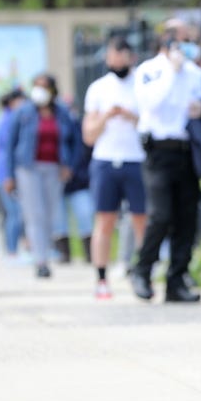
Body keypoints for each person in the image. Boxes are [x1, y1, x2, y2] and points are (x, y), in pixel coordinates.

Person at [130, 19, 201, 303]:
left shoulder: (194, 73)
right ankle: (142, 270)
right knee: (160, 215)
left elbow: (199, 105)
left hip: (187, 150)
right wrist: (172, 72)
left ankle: (176, 280)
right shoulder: (150, 70)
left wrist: (200, 107)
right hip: (158, 151)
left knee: (187, 218)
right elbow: (151, 105)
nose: (188, 44)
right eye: (183, 39)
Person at [82, 36, 147, 299]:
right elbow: (89, 135)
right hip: (106, 160)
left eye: (122, 57)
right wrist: (107, 117)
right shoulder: (98, 89)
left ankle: (145, 273)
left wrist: (130, 116)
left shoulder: (141, 85)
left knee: (142, 219)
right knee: (105, 220)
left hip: (136, 159)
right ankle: (101, 278)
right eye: (112, 57)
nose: (116, 62)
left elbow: (151, 122)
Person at [4, 73, 76, 278]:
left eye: (44, 86)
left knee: (50, 215)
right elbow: (10, 145)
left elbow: (74, 142)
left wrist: (68, 165)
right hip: (28, 168)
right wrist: (8, 176)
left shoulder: (62, 113)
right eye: (36, 86)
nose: (39, 91)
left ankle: (44, 251)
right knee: (34, 213)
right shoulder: (24, 113)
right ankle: (41, 260)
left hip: (53, 168)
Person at [0, 88, 26, 258]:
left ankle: (14, 250)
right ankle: (11, 251)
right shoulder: (6, 122)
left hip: (12, 173)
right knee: (13, 214)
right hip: (6, 174)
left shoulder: (11, 120)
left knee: (15, 214)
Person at [52, 106, 95, 264]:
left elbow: (81, 150)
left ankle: (90, 253)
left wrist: (70, 168)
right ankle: (64, 253)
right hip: (54, 178)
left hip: (78, 179)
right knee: (58, 218)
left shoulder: (75, 126)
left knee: (85, 213)